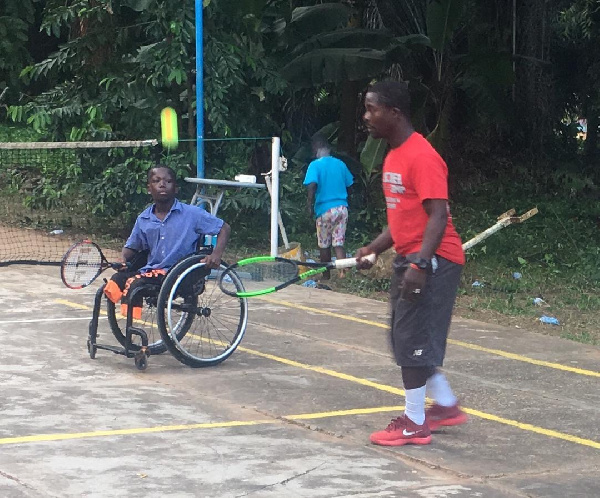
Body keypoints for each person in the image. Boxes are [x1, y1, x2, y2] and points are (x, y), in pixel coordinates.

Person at [355, 80, 467, 446]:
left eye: (372, 109)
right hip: (413, 256)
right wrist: (374, 247)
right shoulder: (392, 156)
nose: (366, 116)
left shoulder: (422, 156)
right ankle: (446, 406)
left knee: (410, 340)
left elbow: (438, 215)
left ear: (395, 113)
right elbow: (403, 218)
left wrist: (420, 263)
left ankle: (415, 423)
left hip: (434, 259)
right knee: (407, 338)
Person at [103, 165, 231, 317]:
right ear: (149, 188)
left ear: (175, 188)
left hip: (178, 273)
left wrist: (216, 254)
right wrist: (123, 259)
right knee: (116, 279)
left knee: (135, 283)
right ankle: (120, 320)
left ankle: (132, 323)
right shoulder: (144, 218)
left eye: (168, 181)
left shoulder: (191, 214)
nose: (162, 184)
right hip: (151, 270)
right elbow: (133, 246)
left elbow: (224, 228)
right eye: (156, 181)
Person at [303, 134, 353, 278]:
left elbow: (312, 185)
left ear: (317, 149)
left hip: (325, 209)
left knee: (324, 244)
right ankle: (343, 272)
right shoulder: (341, 164)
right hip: (342, 208)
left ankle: (326, 274)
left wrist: (309, 205)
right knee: (338, 242)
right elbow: (350, 185)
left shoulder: (315, 165)